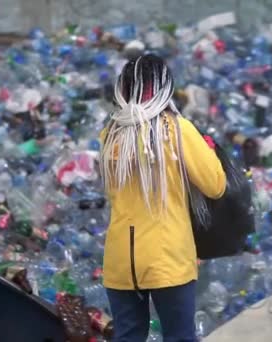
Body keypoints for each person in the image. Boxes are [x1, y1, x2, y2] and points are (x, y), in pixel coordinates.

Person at [99, 54, 226, 342]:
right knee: (179, 337)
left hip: (120, 259)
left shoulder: (110, 134)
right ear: (163, 87)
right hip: (166, 257)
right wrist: (207, 151)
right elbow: (215, 185)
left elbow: (112, 191)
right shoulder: (177, 130)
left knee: (128, 337)